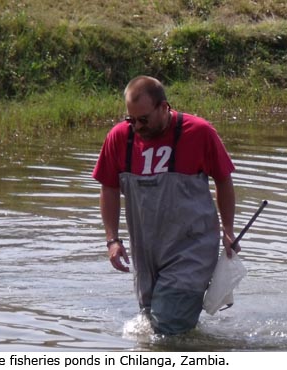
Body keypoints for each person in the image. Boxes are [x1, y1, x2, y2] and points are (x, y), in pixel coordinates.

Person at [92, 76, 240, 335]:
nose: (137, 127)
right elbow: (109, 187)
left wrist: (228, 229)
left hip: (191, 249)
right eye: (131, 119)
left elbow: (223, 179)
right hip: (146, 253)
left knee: (166, 332)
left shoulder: (199, 132)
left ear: (164, 107)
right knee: (153, 325)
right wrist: (112, 240)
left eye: (144, 120)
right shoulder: (119, 138)